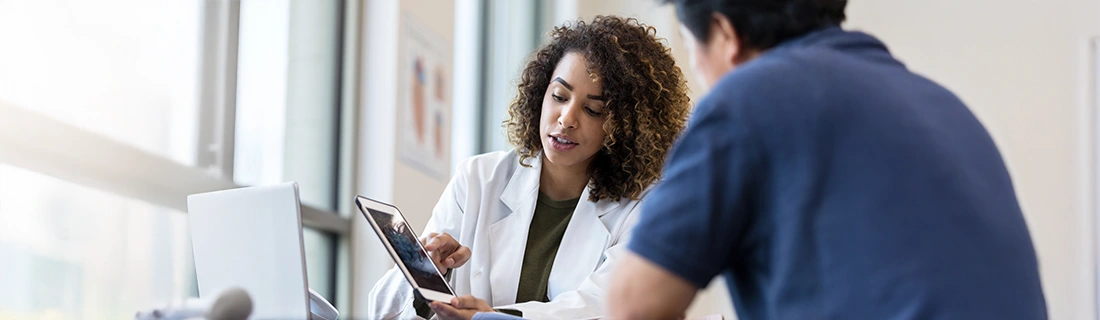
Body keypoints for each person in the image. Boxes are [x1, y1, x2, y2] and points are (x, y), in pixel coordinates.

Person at [607, 0, 1049, 319]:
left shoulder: (749, 98)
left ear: (724, 34)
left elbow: (632, 305)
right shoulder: (944, 105)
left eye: (691, 46)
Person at [368, 15, 691, 320]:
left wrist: (494, 319)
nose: (566, 119)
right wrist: (428, 270)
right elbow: (383, 310)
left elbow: (603, 308)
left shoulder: (642, 208)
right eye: (559, 96)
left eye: (593, 110)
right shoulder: (478, 180)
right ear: (540, 95)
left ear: (626, 126)